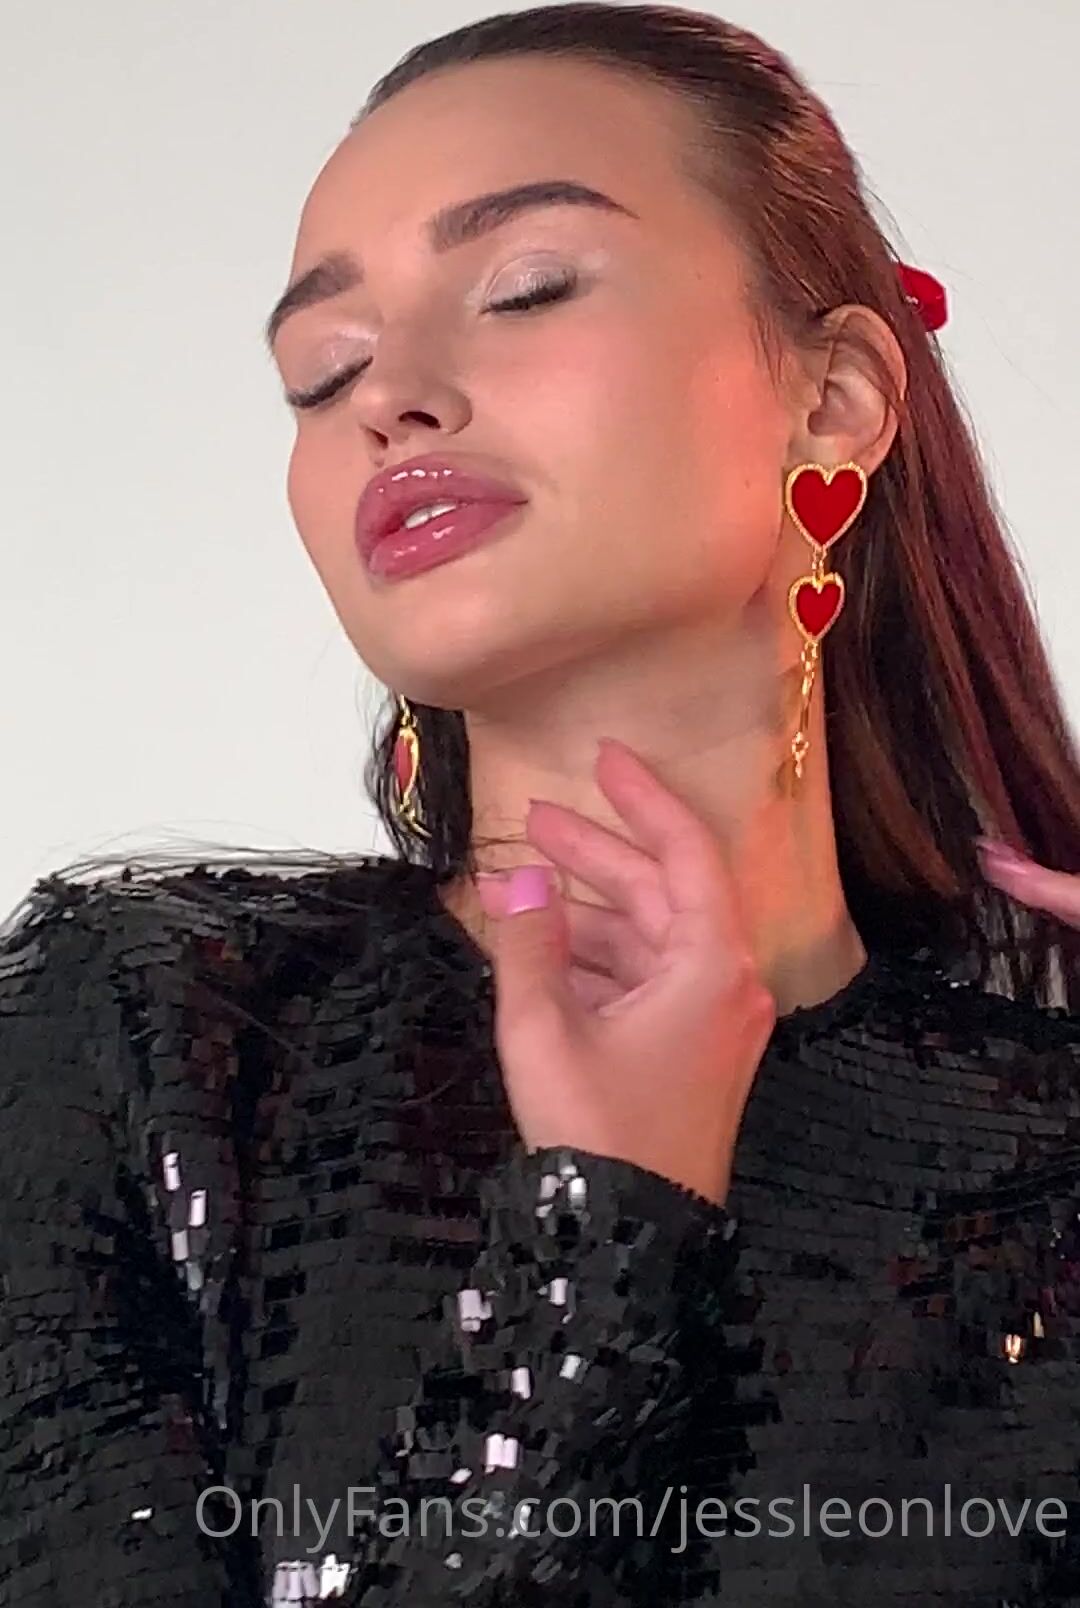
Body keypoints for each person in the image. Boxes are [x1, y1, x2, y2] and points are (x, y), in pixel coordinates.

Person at [2, 3, 1079, 1603]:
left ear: (838, 395)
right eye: (321, 371)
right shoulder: (141, 1027)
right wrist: (601, 1236)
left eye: (524, 288)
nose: (389, 396)